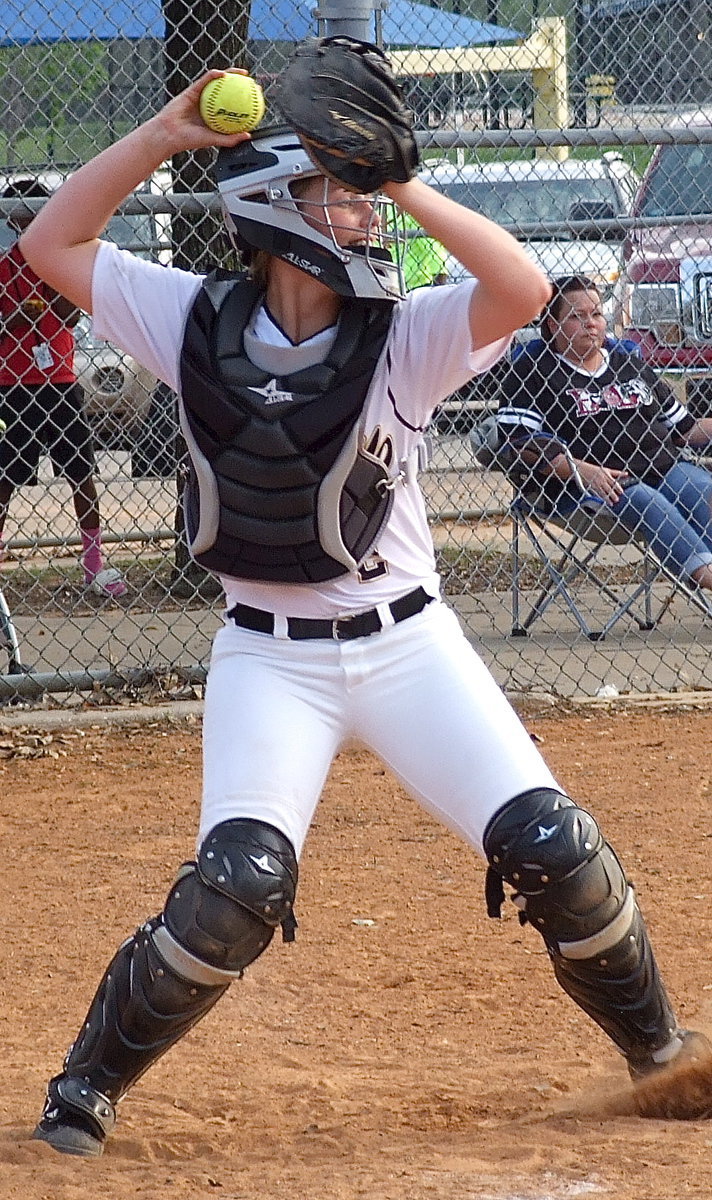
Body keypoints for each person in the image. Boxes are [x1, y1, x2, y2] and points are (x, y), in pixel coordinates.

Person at [19, 56, 710, 1159]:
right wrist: (157, 137)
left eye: (357, 191)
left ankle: (662, 1053)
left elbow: (524, 292)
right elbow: (50, 244)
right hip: (268, 659)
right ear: (269, 206)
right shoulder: (188, 315)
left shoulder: (404, 331)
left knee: (553, 846)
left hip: (408, 645)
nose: (356, 213)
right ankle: (83, 1095)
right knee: (235, 887)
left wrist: (398, 182)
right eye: (332, 190)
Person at [495, 274, 712, 592]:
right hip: (592, 489)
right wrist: (583, 472)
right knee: (650, 503)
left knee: (703, 489)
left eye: (596, 314)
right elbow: (518, 443)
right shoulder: (533, 371)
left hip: (662, 469)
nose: (591, 324)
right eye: (576, 317)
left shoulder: (629, 363)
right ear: (553, 325)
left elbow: (684, 430)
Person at [0, 178, 126, 597]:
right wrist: (13, 320)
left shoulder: (59, 259)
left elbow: (70, 318)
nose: (26, 219)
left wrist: (55, 285)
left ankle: (94, 567)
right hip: (13, 384)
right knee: (5, 478)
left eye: (34, 210)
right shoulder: (4, 267)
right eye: (19, 212)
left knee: (81, 474)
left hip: (60, 381)